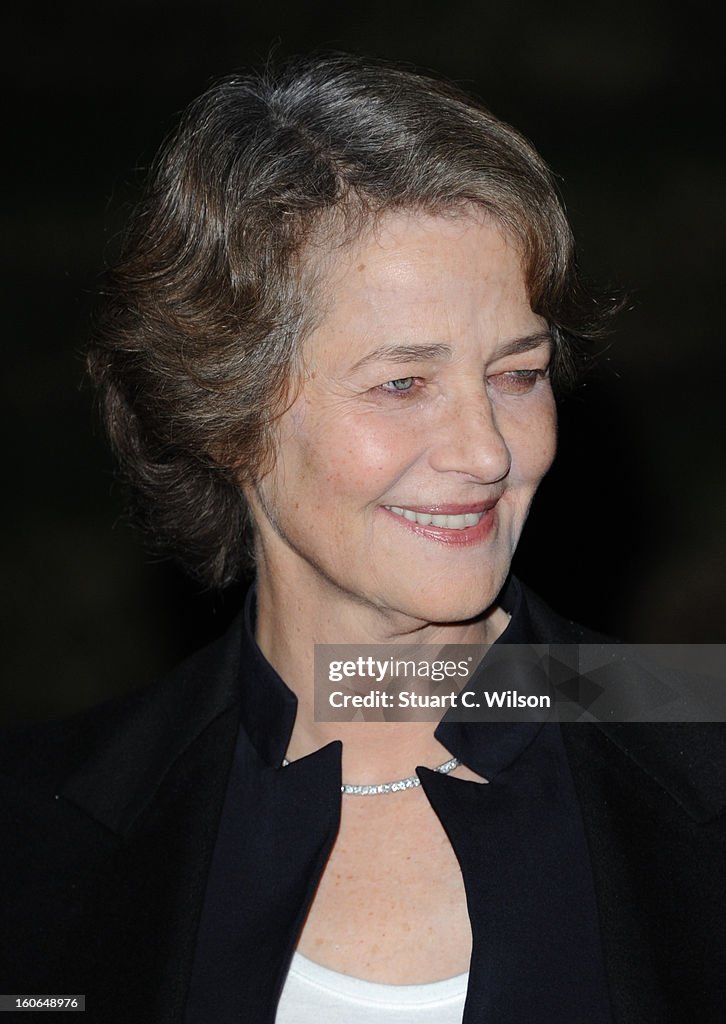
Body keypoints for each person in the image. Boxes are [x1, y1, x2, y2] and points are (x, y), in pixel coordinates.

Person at [1, 54, 724, 1024]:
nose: (487, 452)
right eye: (403, 383)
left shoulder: (696, 747)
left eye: (517, 372)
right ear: (225, 412)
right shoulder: (39, 827)